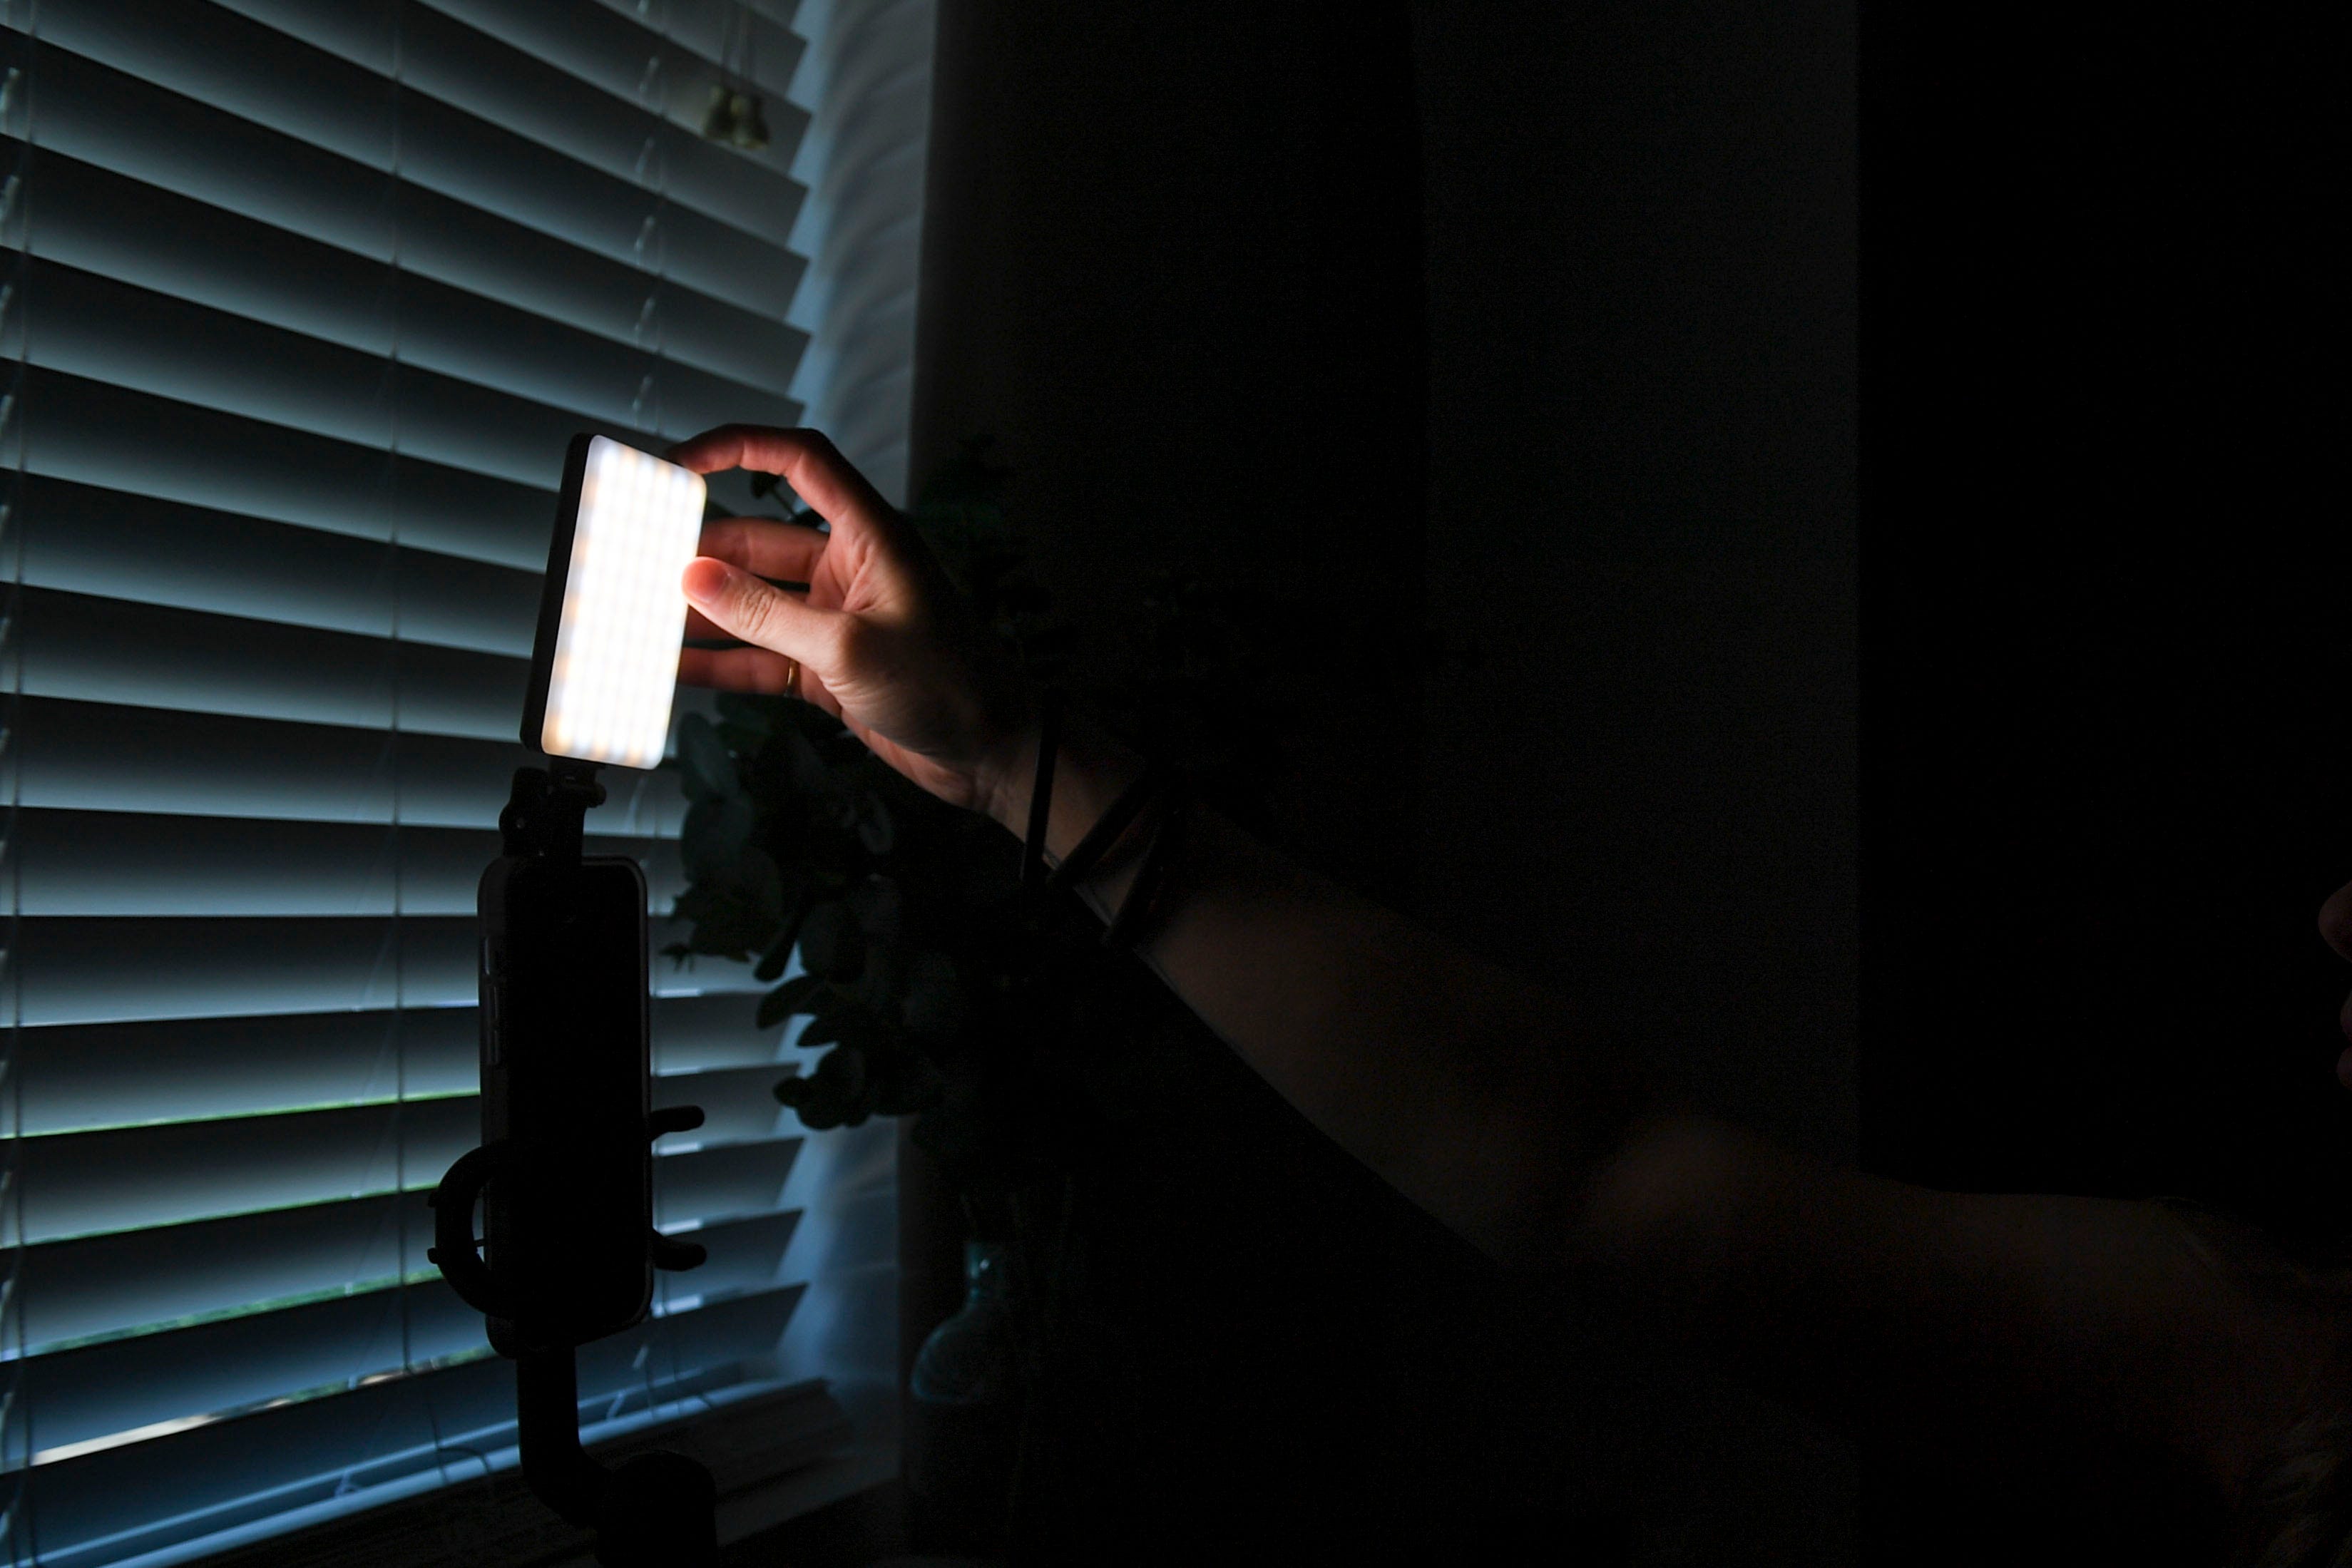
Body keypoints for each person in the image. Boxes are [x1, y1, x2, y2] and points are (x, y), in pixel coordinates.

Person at [669, 424, 2352, 1567]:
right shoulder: (2276, 1351)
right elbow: (1599, 1171)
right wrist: (1009, 756)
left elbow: (1602, 1176)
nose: (2341, 914)